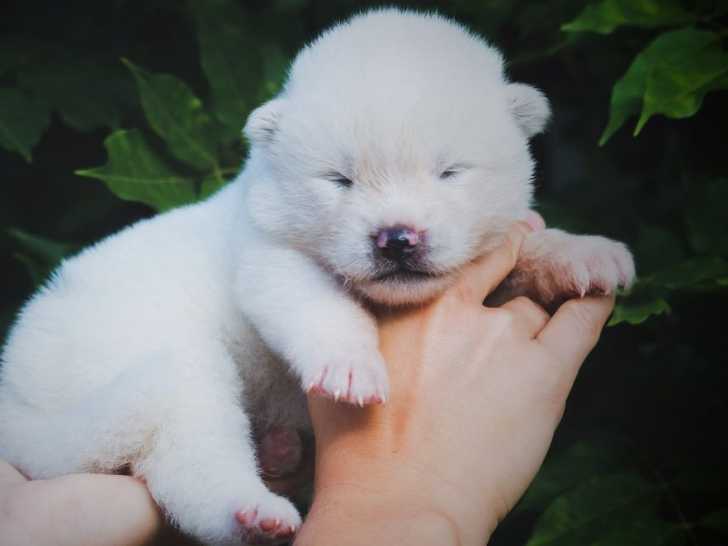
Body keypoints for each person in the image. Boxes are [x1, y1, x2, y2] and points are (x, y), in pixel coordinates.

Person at [0, 222, 615, 546]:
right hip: (85, 385)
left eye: (448, 173)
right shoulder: (271, 238)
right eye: (344, 180)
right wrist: (401, 505)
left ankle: (210, 487)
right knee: (187, 375)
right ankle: (215, 494)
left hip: (73, 446)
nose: (400, 227)